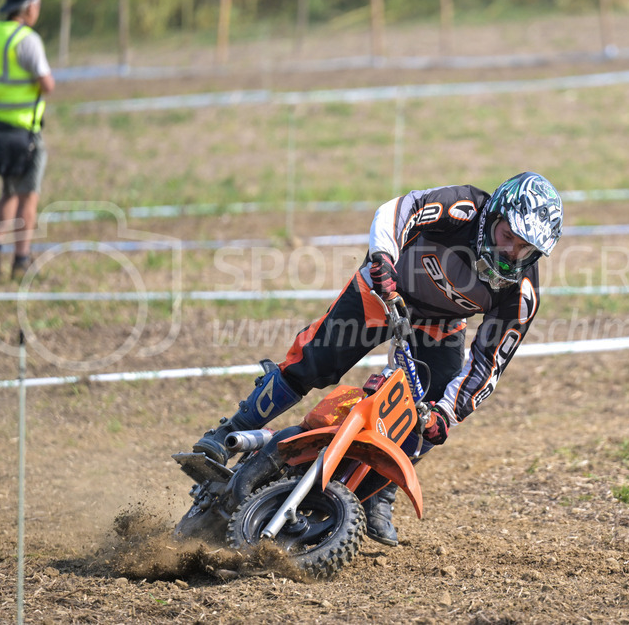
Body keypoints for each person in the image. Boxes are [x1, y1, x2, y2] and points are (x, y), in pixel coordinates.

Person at [194, 172, 564, 546]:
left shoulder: (522, 296)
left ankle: (375, 497)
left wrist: (447, 413)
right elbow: (400, 210)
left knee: (427, 419)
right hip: (384, 292)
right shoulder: (464, 208)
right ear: (494, 216)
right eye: (508, 237)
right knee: (315, 361)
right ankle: (229, 432)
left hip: (439, 325)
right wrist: (383, 258)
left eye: (526, 248)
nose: (512, 253)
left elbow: (488, 364)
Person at [0, 0, 55, 281]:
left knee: (8, 191)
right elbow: (47, 84)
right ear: (30, 8)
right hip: (24, 133)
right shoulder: (28, 40)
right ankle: (21, 260)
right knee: (28, 196)